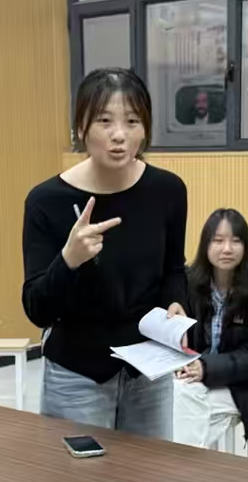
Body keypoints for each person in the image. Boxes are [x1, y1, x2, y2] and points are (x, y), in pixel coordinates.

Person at [22, 68, 188, 438]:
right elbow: (37, 309)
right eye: (104, 121)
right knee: (82, 474)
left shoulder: (168, 191)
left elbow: (174, 269)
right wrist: (69, 259)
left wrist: (176, 301)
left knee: (149, 472)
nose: (119, 135)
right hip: (77, 374)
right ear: (81, 126)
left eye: (132, 121)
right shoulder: (46, 201)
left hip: (147, 371)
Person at [173, 208, 248, 452]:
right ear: (205, 245)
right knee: (174, 400)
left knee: (185, 410)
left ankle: (183, 463)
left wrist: (206, 368)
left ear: (246, 246)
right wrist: (183, 363)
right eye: (218, 240)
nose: (227, 249)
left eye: (235, 241)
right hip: (196, 377)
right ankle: (190, 463)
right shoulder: (190, 283)